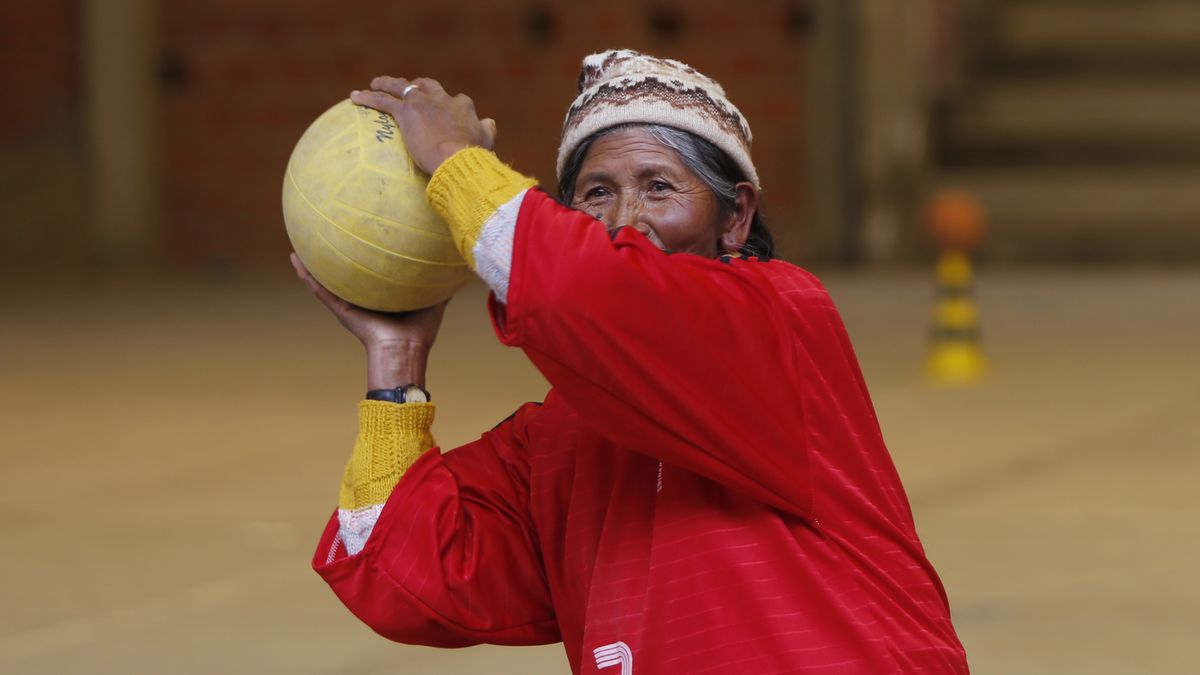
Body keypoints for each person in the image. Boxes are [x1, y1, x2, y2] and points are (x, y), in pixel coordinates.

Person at [295, 49, 969, 673]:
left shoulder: (778, 318)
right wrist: (396, 357)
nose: (625, 223)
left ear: (735, 218)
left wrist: (453, 162)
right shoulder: (558, 441)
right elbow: (394, 568)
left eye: (658, 187)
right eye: (595, 194)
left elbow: (579, 290)